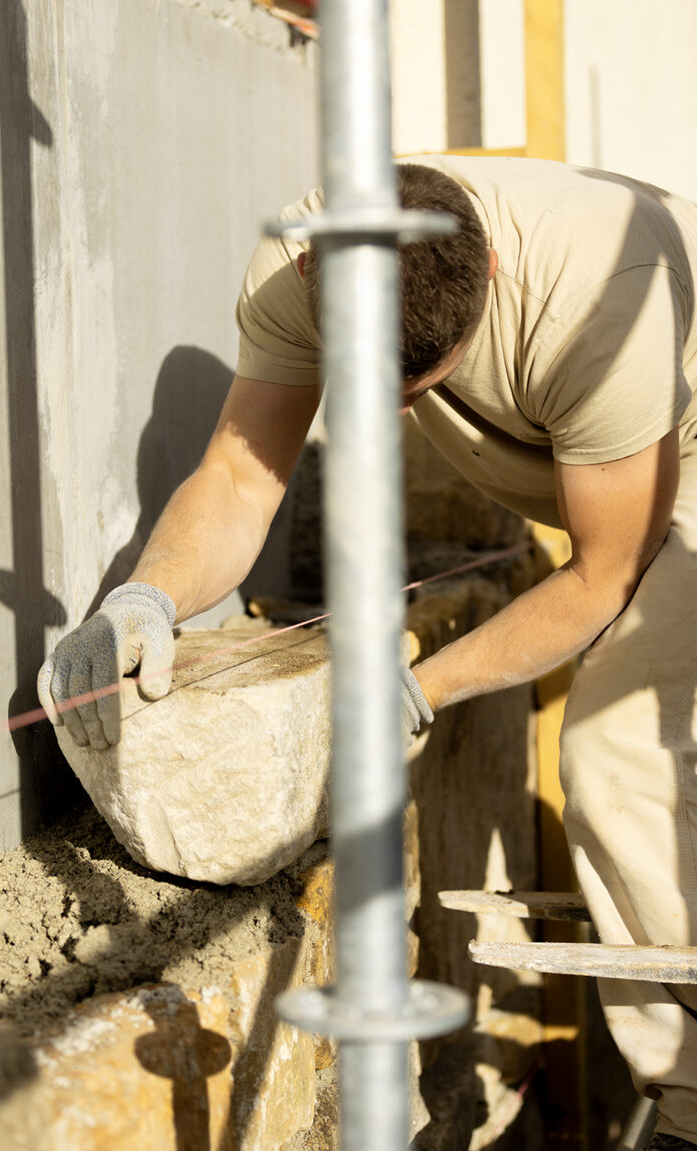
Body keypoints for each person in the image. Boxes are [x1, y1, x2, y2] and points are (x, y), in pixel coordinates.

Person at [38, 154, 697, 1149]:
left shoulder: (603, 293)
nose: (383, 414)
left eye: (416, 385)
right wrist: (146, 592)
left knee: (613, 751)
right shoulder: (300, 253)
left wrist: (416, 687)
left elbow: (605, 575)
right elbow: (238, 474)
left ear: (491, 289)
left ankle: (689, 1101)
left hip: (682, 455)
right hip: (598, 445)